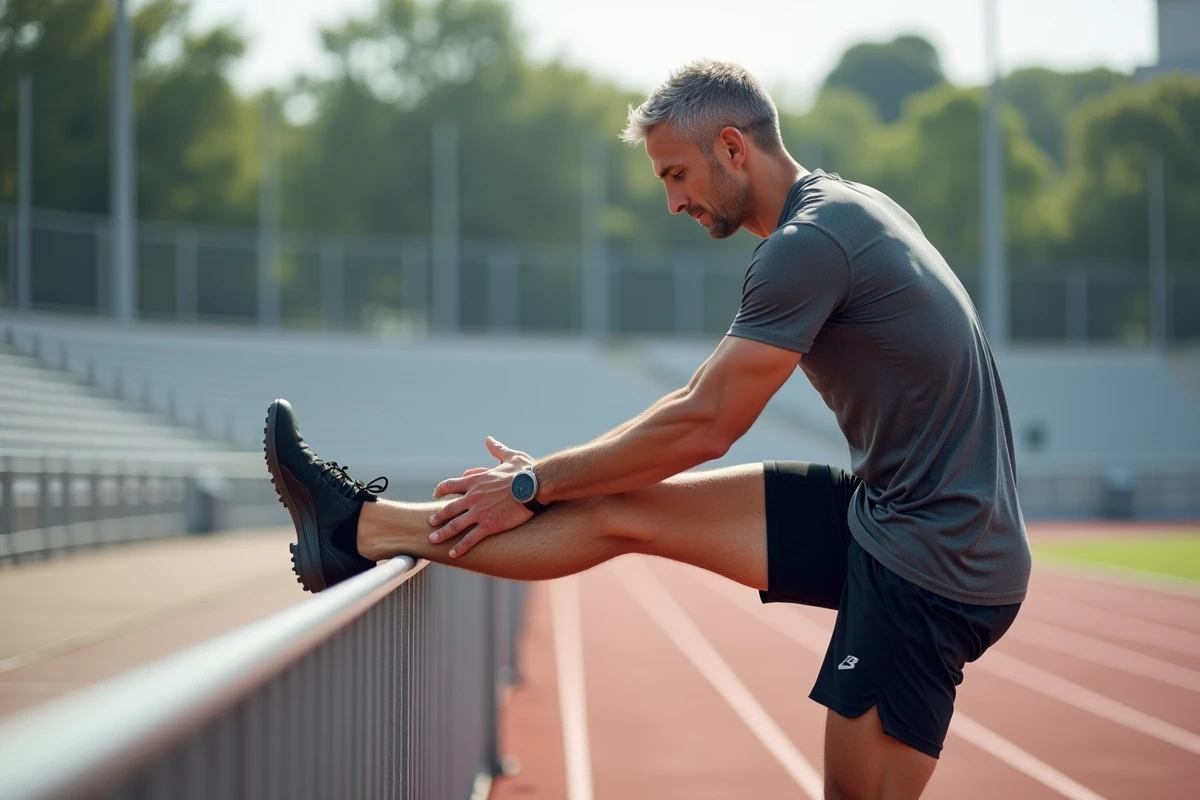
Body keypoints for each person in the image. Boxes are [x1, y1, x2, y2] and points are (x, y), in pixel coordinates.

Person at [263, 60, 1031, 800]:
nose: (672, 202)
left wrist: (533, 484)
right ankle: (359, 529)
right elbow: (696, 398)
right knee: (617, 507)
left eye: (676, 175)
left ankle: (363, 532)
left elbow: (706, 426)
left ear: (733, 147)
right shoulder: (842, 210)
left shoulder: (809, 246)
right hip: (888, 512)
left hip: (938, 559)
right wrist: (555, 479)